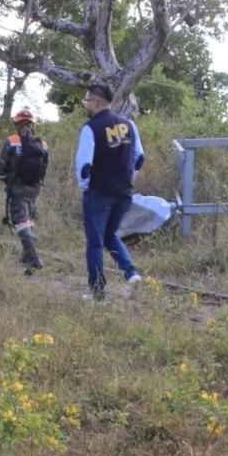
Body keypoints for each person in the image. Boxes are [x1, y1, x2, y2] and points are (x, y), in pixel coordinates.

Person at [74, 82, 145, 301]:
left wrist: (86, 188)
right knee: (110, 235)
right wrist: (128, 181)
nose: (86, 104)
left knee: (95, 242)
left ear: (96, 101)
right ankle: (131, 273)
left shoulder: (91, 128)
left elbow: (84, 167)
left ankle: (97, 291)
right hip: (124, 193)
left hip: (99, 193)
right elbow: (139, 158)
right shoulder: (129, 125)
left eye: (87, 100)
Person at [0, 108, 49, 274]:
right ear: (32, 124)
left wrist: (4, 179)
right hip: (35, 188)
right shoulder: (42, 143)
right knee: (29, 221)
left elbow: (0, 168)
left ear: (17, 124)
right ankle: (26, 257)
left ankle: (34, 258)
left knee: (20, 223)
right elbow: (45, 165)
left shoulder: (11, 141)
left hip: (17, 188)